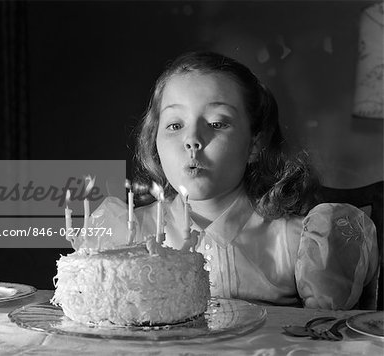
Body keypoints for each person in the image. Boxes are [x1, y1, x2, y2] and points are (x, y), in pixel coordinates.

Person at [88, 51, 378, 310]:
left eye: (216, 123)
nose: (192, 140)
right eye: (175, 125)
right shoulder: (127, 236)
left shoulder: (295, 242)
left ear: (254, 144)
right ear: (155, 141)